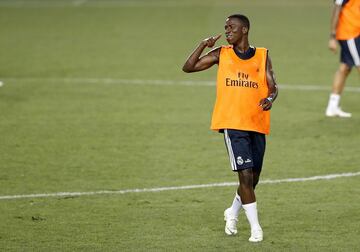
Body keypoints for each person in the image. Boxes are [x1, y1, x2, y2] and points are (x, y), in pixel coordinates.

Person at [182, 14, 278, 242]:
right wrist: (203, 45)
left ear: (244, 30)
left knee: (253, 179)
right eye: (225, 28)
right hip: (233, 124)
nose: (227, 31)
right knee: (244, 175)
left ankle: (232, 212)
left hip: (256, 122)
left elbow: (273, 85)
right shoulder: (221, 54)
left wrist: (271, 98)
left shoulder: (262, 55)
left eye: (231, 28)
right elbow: (189, 67)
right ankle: (256, 228)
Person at [325, 0, 360, 117]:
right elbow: (337, 7)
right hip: (350, 34)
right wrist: (332, 36)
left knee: (345, 68)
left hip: (355, 32)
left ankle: (332, 107)